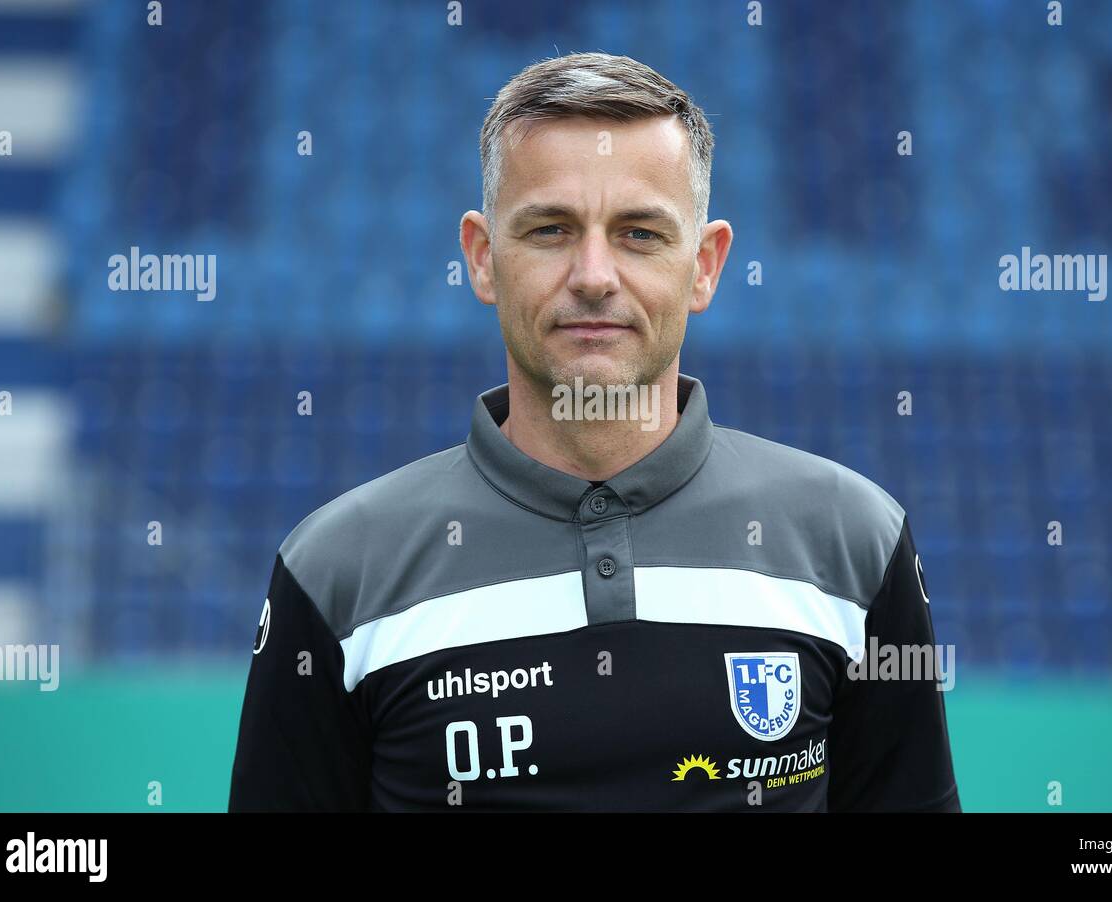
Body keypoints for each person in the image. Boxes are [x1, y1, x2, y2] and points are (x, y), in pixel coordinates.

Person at [229, 51, 959, 812]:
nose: (593, 275)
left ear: (705, 266)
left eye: (640, 234)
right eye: (550, 229)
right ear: (483, 259)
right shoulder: (337, 571)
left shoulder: (853, 543)